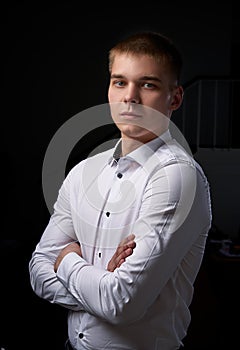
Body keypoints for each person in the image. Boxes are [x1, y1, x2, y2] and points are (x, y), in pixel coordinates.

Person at [29, 31, 212, 350]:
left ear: (176, 98)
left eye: (148, 84)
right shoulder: (84, 172)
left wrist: (68, 261)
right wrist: (100, 282)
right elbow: (38, 270)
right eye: (119, 82)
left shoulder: (178, 178)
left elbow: (122, 303)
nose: (130, 97)